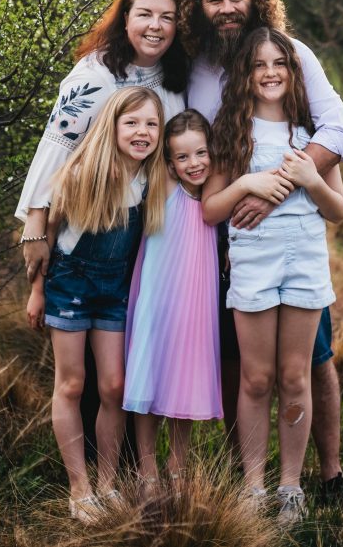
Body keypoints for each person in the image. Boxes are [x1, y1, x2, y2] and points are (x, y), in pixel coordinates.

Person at [177, 0, 343, 509]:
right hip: (224, 239)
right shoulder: (196, 67)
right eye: (214, 0)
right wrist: (239, 194)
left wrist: (278, 190)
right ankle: (250, 481)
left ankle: (323, 480)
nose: (227, 8)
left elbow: (342, 133)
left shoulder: (293, 52)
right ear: (199, 6)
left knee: (308, 363)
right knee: (245, 368)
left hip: (296, 241)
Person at [17, 0, 186, 466]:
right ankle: (83, 480)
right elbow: (56, 149)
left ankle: (130, 469)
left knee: (125, 371)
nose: (156, 27)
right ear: (125, 18)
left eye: (167, 17)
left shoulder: (175, 81)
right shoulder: (95, 75)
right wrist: (34, 224)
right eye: (145, 15)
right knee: (82, 376)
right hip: (83, 238)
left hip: (147, 238)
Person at [202, 27, 343, 525]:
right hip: (253, 265)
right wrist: (246, 181)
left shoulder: (312, 134)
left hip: (304, 262)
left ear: (293, 70)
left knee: (294, 375)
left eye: (279, 63)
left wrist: (310, 178)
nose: (269, 73)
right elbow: (211, 209)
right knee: (256, 376)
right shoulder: (232, 132)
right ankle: (251, 485)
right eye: (259, 64)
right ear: (246, 73)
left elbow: (338, 212)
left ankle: (290, 486)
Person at [25, 86, 167, 523]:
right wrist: (36, 291)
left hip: (115, 290)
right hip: (70, 284)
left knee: (114, 387)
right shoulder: (85, 171)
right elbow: (49, 230)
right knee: (71, 384)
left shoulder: (151, 179)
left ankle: (107, 484)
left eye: (151, 124)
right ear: (113, 126)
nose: (142, 132)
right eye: (132, 123)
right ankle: (79, 489)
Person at [123, 109, 223, 496]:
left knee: (189, 374)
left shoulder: (214, 193)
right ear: (168, 162)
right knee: (149, 373)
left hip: (197, 298)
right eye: (182, 157)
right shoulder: (165, 184)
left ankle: (178, 466)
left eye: (200, 154)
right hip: (158, 294)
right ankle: (147, 471)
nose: (193, 164)